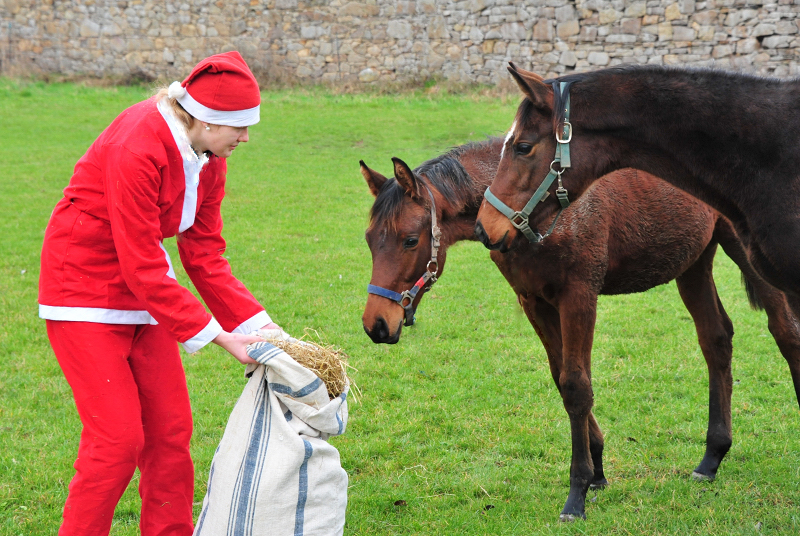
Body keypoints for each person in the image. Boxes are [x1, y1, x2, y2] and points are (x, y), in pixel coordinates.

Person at [38, 51, 285, 536]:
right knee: (116, 441)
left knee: (170, 433)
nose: (246, 137)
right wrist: (220, 338)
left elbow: (204, 254)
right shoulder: (138, 144)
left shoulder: (211, 156)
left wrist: (259, 325)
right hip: (81, 289)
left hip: (144, 292)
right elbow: (141, 263)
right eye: (239, 125)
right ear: (207, 119)